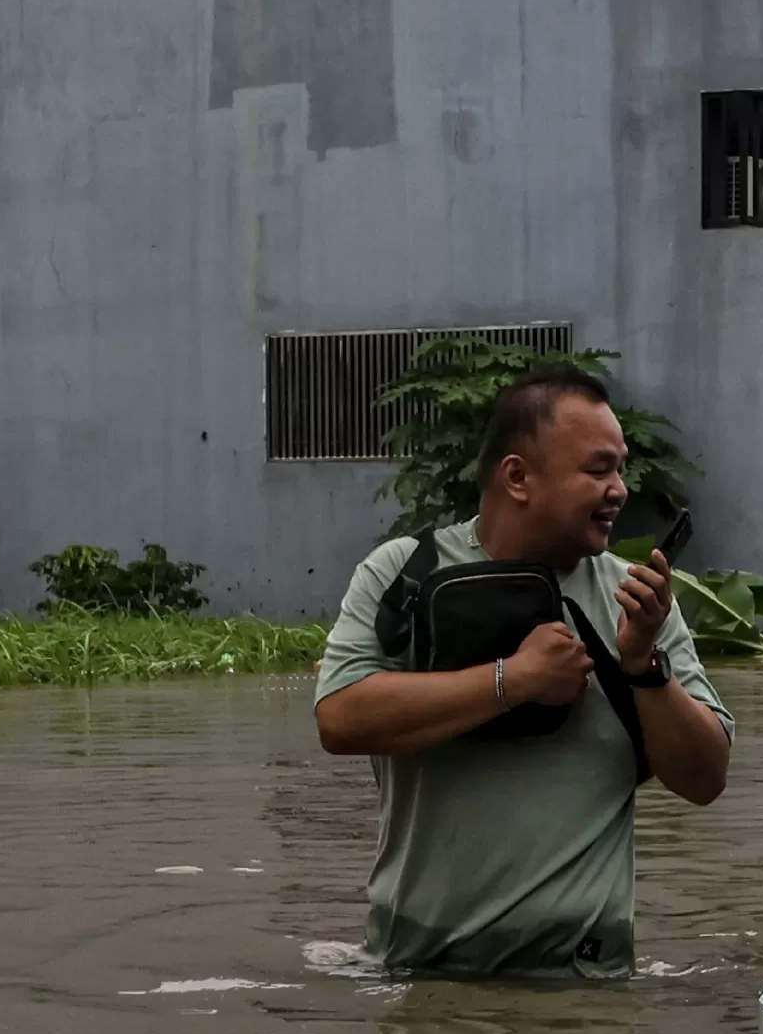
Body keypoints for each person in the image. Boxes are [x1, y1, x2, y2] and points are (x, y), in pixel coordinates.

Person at [314, 366, 733, 975]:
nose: (619, 488)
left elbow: (707, 779)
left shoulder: (638, 601)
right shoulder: (403, 574)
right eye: (598, 469)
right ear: (518, 476)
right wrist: (512, 680)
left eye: (621, 468)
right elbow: (339, 719)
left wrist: (644, 667)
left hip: (586, 981)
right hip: (421, 972)